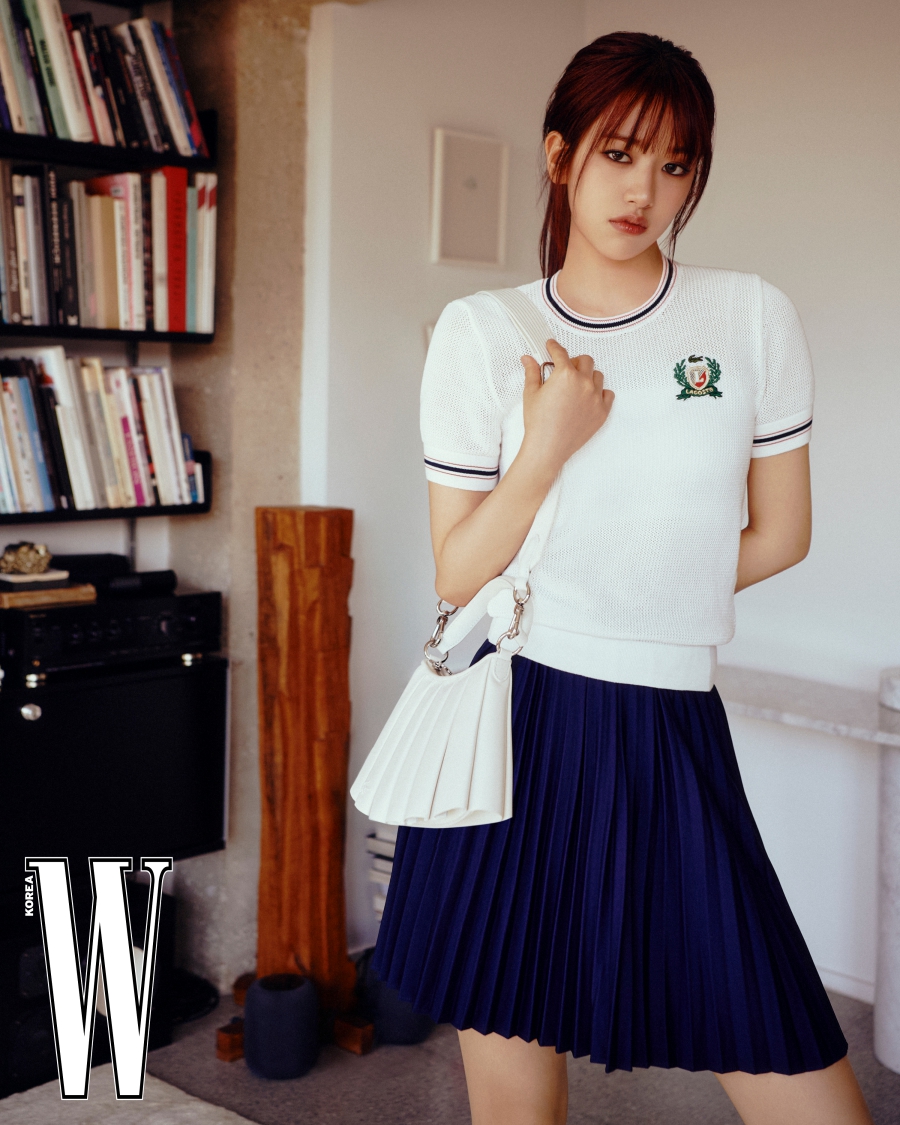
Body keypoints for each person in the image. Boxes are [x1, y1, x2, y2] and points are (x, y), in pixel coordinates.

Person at [370, 32, 873, 1125]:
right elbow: (460, 567)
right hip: (515, 717)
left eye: (674, 164)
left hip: (667, 722)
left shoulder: (749, 316)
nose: (644, 189)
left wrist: (645, 604)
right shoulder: (483, 331)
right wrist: (547, 446)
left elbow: (782, 533)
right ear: (560, 156)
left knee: (791, 1065)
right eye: (619, 152)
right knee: (515, 1093)